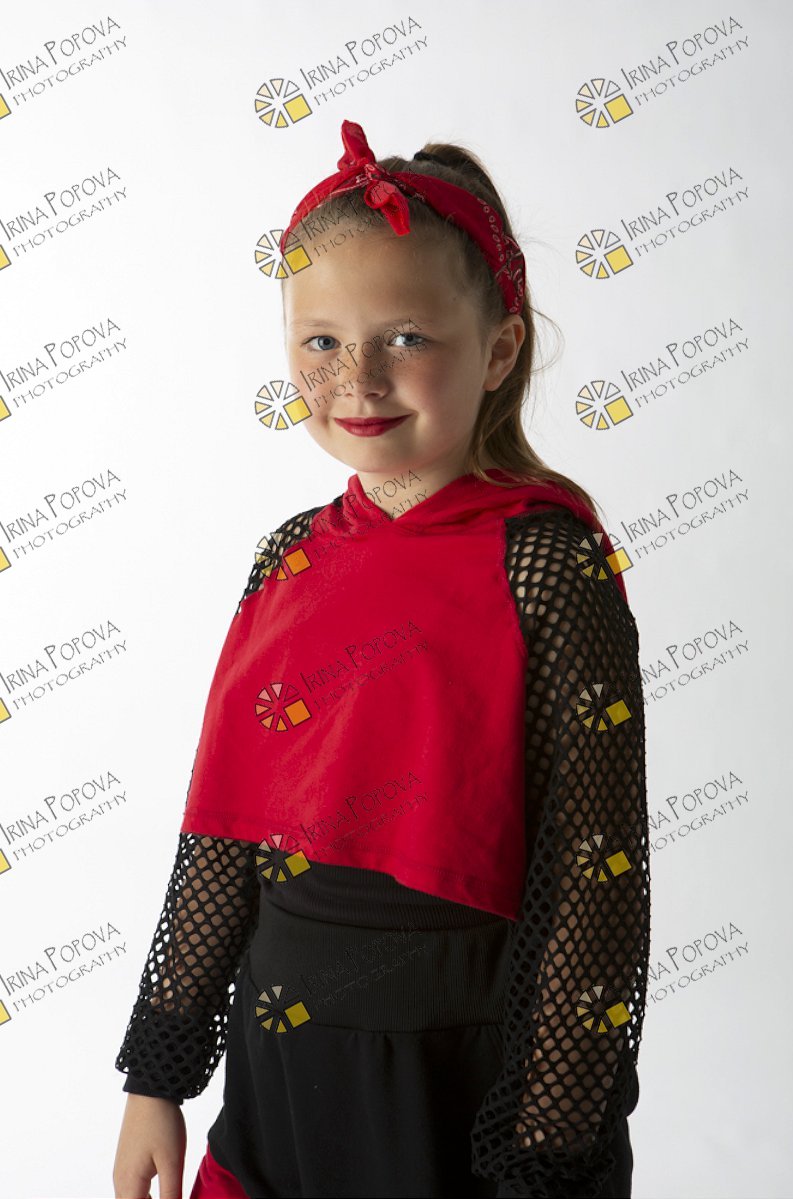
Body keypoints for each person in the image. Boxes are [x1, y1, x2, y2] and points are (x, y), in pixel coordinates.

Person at [112, 119, 651, 1199]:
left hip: (461, 1072)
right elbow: (224, 829)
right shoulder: (289, 558)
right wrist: (159, 1075)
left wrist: (547, 1146)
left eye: (405, 336)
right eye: (319, 341)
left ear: (498, 350)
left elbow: (597, 879)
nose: (355, 377)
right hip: (280, 1070)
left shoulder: (546, 567)